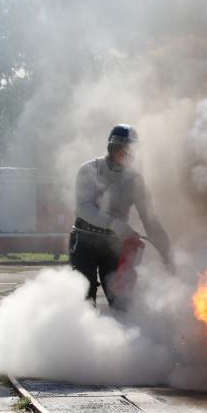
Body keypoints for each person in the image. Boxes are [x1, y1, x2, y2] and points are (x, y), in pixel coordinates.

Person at [70, 124, 172, 308]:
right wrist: (114, 224)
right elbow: (85, 208)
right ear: (111, 148)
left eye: (130, 150)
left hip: (115, 246)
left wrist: (167, 252)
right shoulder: (89, 170)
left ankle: (121, 334)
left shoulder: (135, 181)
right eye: (120, 149)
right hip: (85, 241)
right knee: (84, 298)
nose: (125, 154)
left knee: (122, 301)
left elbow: (149, 218)